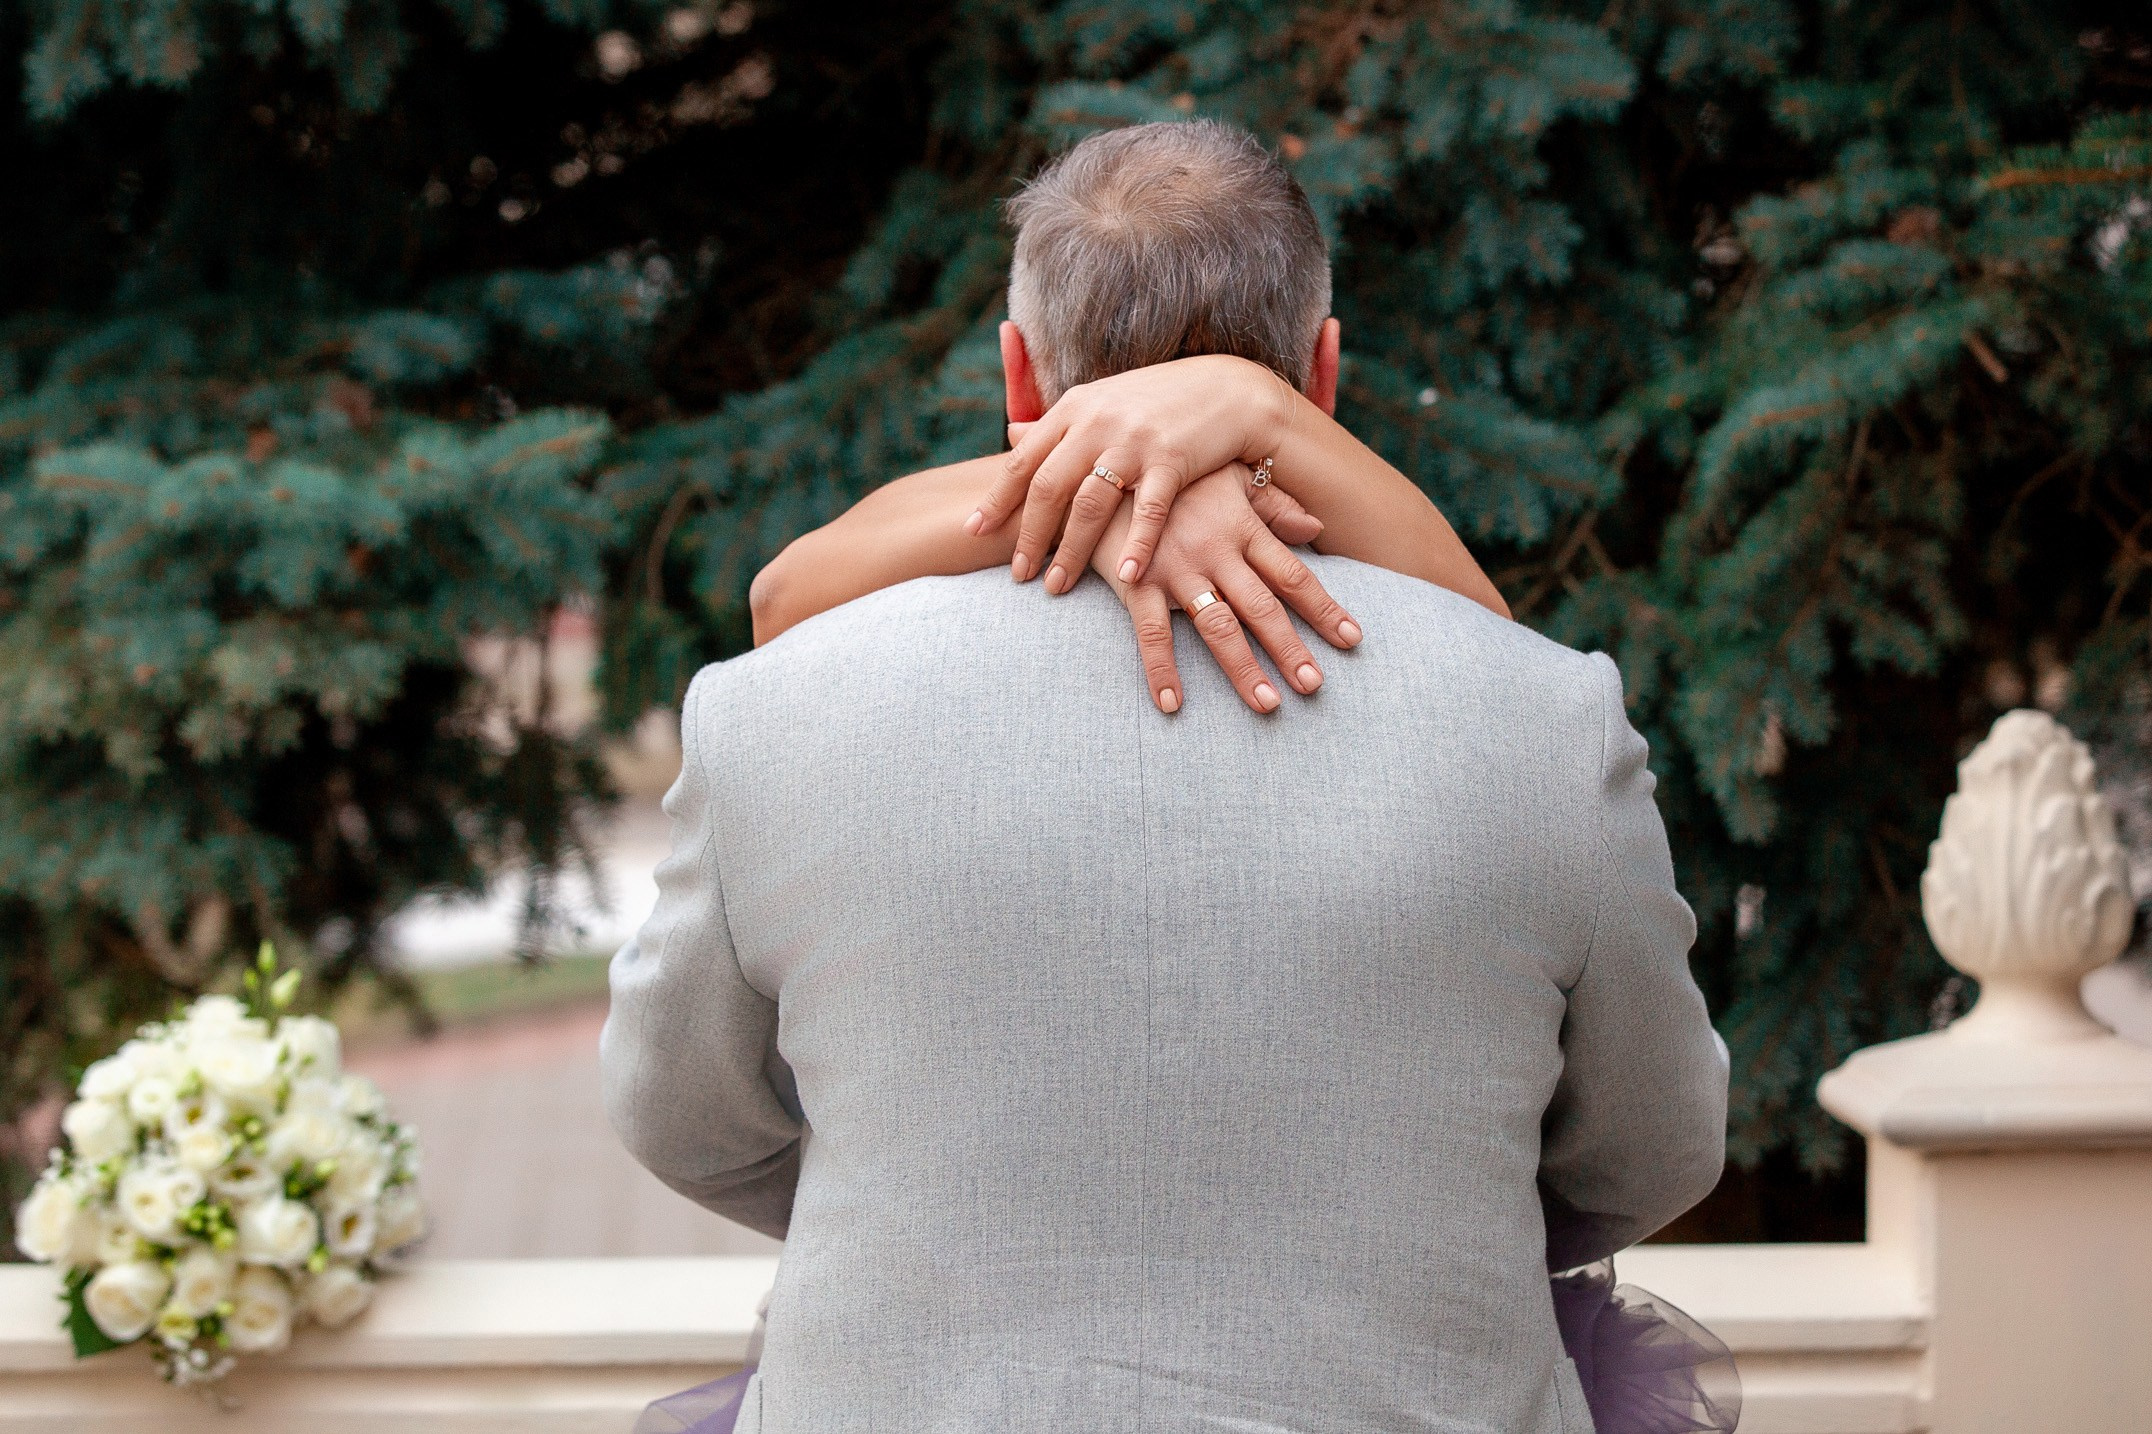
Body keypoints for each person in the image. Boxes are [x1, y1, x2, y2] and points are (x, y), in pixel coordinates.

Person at [604, 120, 1731, 1434]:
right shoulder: (1544, 709)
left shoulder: (771, 708)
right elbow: (1653, 1147)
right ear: (1323, 368)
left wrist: (955, 1191)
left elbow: (682, 1115)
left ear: (1019, 372)